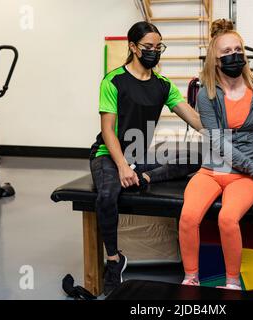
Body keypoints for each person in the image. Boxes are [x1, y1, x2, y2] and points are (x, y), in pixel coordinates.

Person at [179, 19, 253, 290]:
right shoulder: (206, 93)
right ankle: (190, 278)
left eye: (238, 50)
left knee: (227, 218)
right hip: (212, 170)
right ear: (215, 59)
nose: (234, 55)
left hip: (243, 176)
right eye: (226, 52)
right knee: (188, 217)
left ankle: (232, 283)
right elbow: (217, 142)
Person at [89, 21, 202, 295]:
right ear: (132, 47)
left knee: (194, 157)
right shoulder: (113, 80)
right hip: (108, 154)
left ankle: (146, 176)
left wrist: (229, 130)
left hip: (139, 158)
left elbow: (195, 119)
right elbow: (108, 131)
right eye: (147, 47)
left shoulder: (163, 85)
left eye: (157, 47)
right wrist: (122, 166)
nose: (154, 51)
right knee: (106, 196)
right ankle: (114, 261)